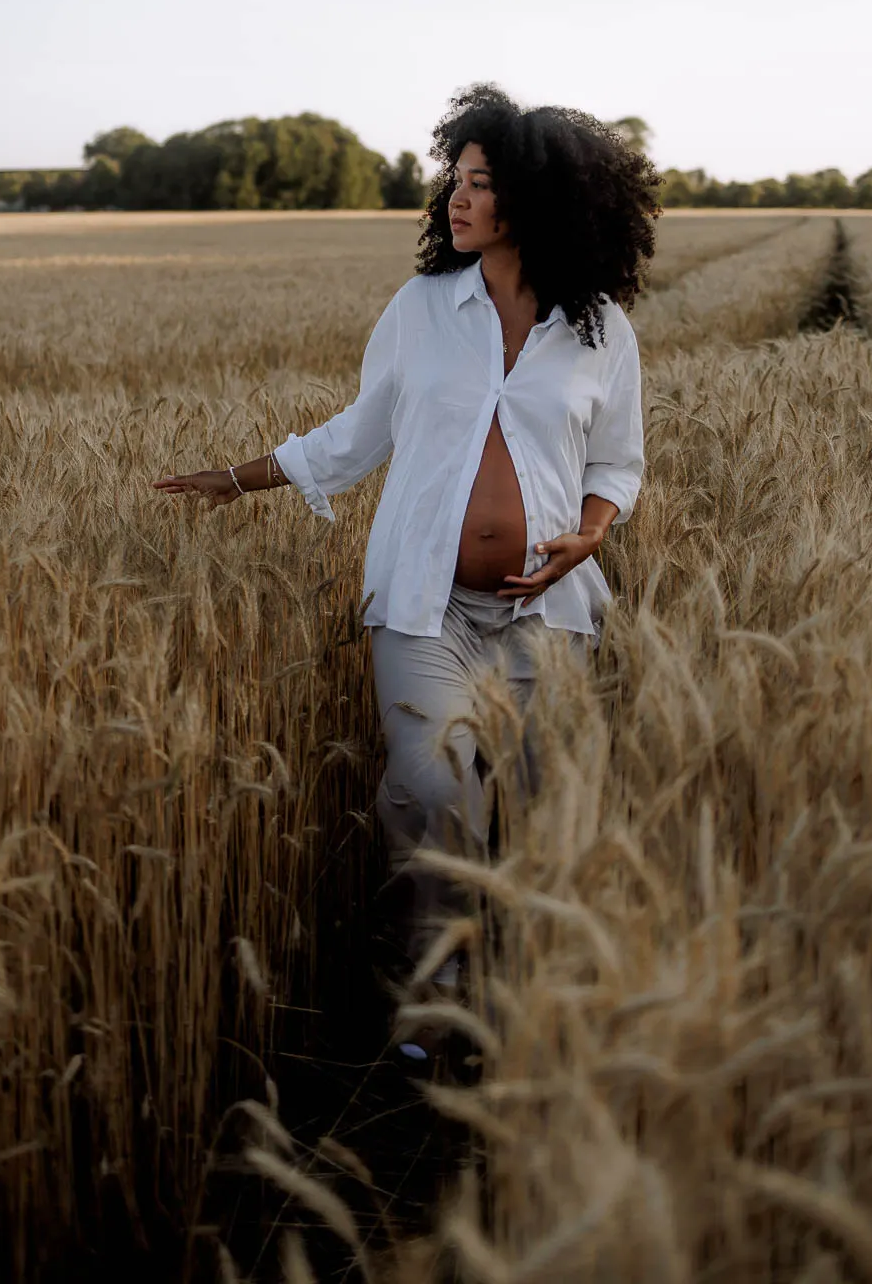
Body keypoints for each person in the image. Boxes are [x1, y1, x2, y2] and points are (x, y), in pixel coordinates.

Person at [154, 84, 657, 1061]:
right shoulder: (424, 309)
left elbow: (617, 463)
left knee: (534, 803)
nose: (454, 201)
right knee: (435, 789)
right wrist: (239, 477)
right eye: (454, 182)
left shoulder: (602, 334)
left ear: (541, 201)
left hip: (548, 615)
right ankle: (439, 992)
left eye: (479, 184)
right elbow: (356, 435)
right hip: (425, 604)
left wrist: (591, 534)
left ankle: (516, 991)